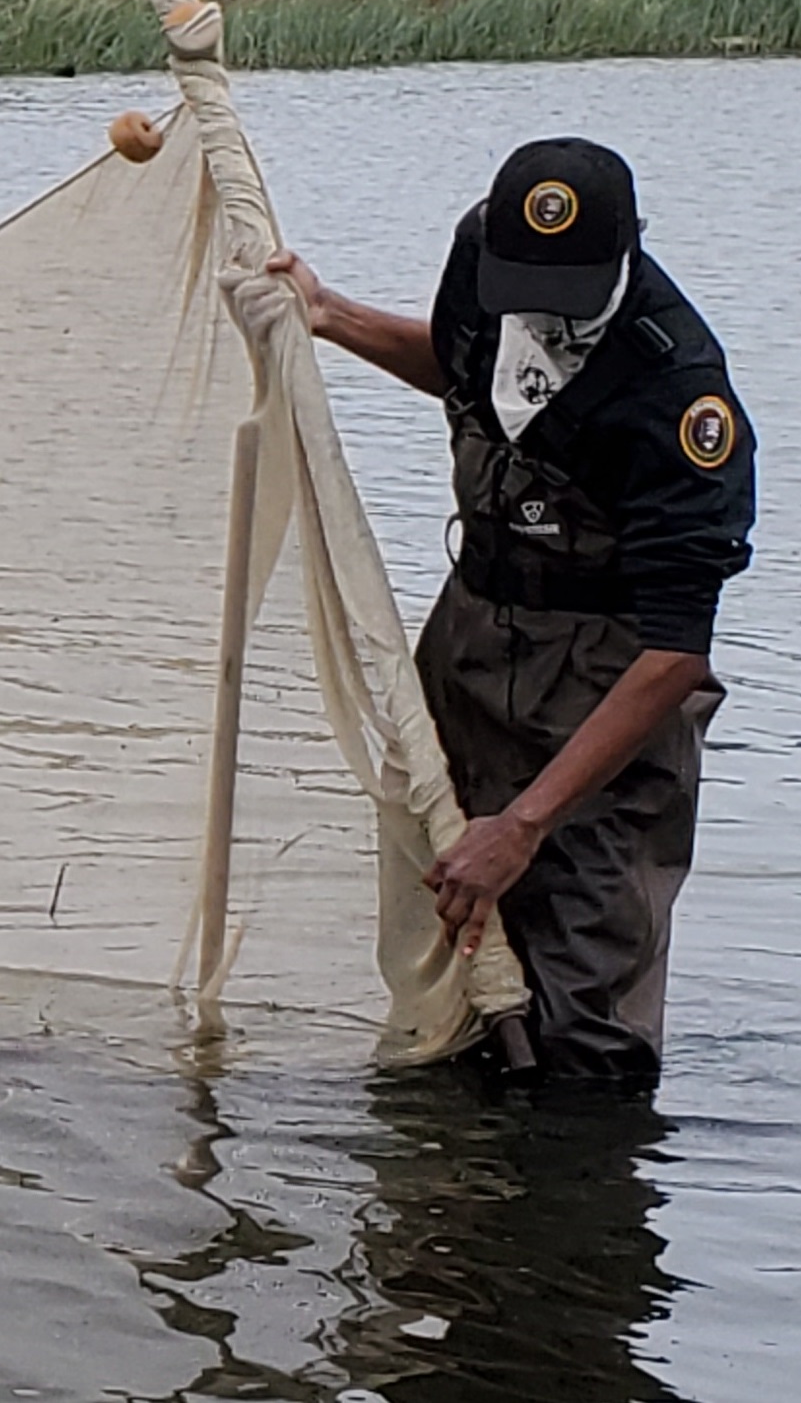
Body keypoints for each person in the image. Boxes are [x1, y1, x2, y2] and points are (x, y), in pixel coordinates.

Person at [264, 138, 753, 1090]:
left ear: (627, 256)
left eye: (563, 290)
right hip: (472, 639)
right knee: (456, 950)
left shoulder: (680, 402)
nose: (536, 305)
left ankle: (573, 1208)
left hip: (610, 685)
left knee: (584, 1025)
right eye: (523, 280)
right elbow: (460, 368)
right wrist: (328, 317)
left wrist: (524, 826)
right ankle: (457, 1203)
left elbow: (674, 656)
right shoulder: (484, 262)